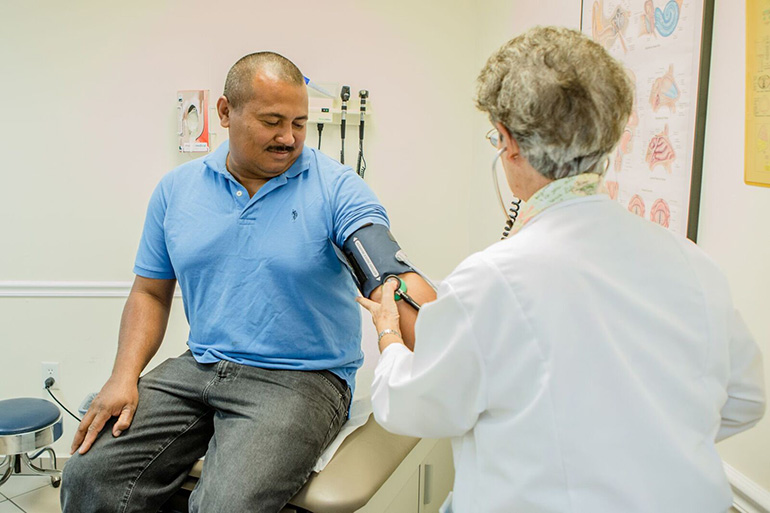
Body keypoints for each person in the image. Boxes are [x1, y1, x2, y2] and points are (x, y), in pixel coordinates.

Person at [358, 27, 766, 513]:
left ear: (508, 143)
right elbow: (745, 400)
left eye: (496, 135)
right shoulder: (693, 263)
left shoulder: (494, 279)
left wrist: (388, 334)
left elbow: (411, 406)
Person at [61, 52, 402, 513]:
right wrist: (123, 376)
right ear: (225, 112)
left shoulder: (338, 187)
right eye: (273, 121)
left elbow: (384, 267)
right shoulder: (176, 190)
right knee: (88, 472)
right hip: (201, 365)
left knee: (226, 504)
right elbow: (149, 291)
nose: (289, 138)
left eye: (299, 122)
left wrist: (407, 302)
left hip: (303, 378)